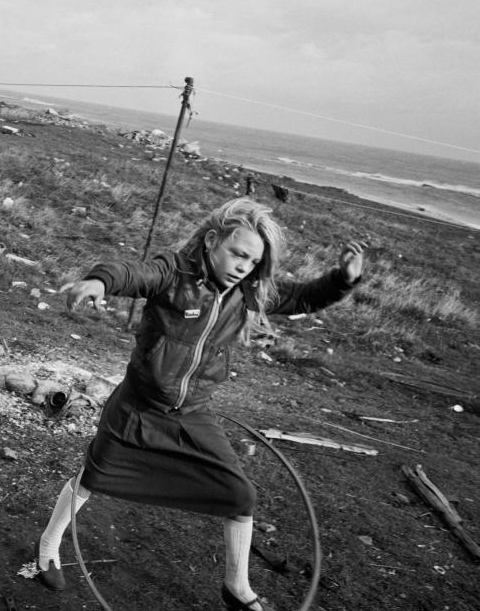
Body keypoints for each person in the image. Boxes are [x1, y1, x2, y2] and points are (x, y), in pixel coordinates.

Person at [34, 198, 365, 611]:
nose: (245, 265)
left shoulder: (248, 293)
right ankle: (49, 544)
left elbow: (301, 298)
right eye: (238, 253)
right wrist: (99, 282)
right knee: (94, 476)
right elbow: (133, 273)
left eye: (253, 260)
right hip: (138, 404)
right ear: (212, 241)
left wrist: (341, 281)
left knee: (240, 494)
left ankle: (236, 587)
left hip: (193, 412)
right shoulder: (174, 273)